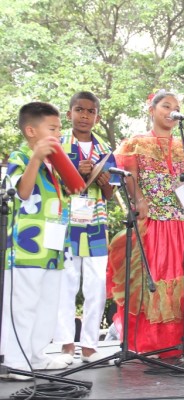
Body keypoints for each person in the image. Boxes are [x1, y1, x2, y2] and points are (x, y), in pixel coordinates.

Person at [107, 90, 184, 358]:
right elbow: (131, 177)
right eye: (166, 106)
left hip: (179, 226)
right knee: (153, 282)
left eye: (176, 107)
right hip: (152, 223)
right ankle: (151, 344)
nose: (172, 111)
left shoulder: (183, 148)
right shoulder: (136, 142)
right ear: (152, 110)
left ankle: (177, 345)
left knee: (182, 285)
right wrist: (139, 200)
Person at [1, 102, 72, 378]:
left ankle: (36, 354)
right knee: (24, 304)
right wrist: (35, 159)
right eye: (52, 128)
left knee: (47, 304)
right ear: (31, 131)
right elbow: (23, 192)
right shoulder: (20, 157)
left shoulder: (53, 164)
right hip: (26, 247)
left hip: (51, 247)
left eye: (58, 128)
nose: (58, 133)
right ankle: (16, 361)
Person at [54, 91, 118, 364]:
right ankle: (67, 344)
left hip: (95, 223)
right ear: (69, 113)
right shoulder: (56, 146)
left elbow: (111, 193)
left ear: (97, 117)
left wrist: (103, 182)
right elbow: (51, 185)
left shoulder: (105, 150)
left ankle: (90, 345)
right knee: (65, 284)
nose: (84, 115)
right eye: (79, 110)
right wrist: (74, 172)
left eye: (90, 111)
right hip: (65, 222)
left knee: (96, 286)